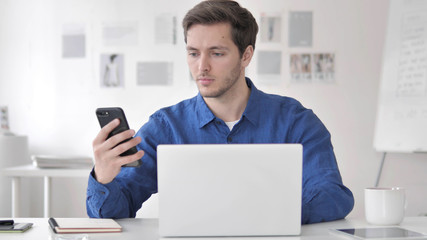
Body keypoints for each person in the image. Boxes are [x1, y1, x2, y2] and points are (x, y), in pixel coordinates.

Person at [86, 0, 354, 224]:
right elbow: (114, 213)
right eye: (193, 53)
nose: (202, 67)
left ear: (246, 56)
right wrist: (104, 176)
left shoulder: (295, 121)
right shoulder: (165, 127)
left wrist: (267, 216)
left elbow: (333, 196)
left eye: (216, 53)